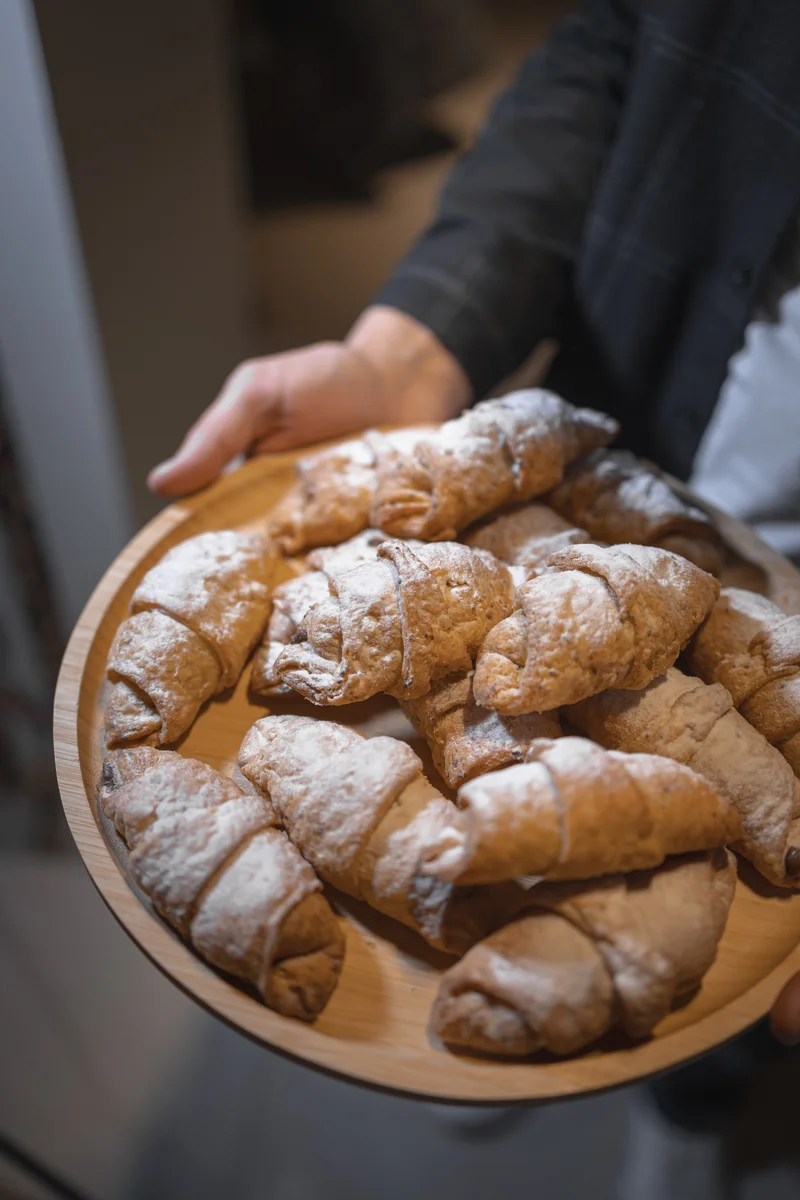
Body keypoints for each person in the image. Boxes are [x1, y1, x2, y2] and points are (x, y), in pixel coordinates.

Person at [149, 2, 800, 1193]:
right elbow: (610, 51)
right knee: (531, 846)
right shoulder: (511, 564)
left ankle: (683, 1121)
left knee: (722, 956)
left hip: (705, 580)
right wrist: (413, 344)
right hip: (620, 438)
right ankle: (520, 980)